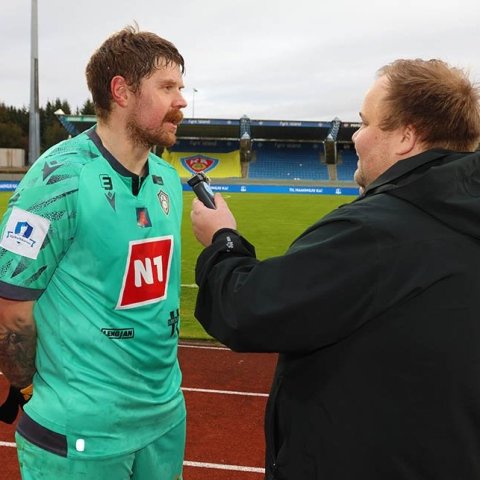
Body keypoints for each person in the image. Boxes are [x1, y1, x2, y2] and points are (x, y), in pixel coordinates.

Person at [190, 58, 480, 479]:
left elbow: (246, 310)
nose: (354, 137)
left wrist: (223, 240)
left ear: (406, 136)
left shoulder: (375, 232)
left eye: (363, 123)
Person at [0, 25, 187, 479]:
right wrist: (26, 385)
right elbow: (11, 310)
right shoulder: (57, 179)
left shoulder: (167, 181)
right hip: (80, 431)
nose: (181, 101)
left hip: (164, 420)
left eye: (180, 87)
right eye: (167, 87)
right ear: (121, 91)